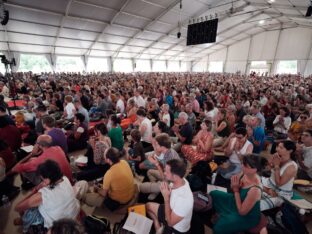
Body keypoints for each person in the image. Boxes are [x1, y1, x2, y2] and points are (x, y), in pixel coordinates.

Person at [14, 160, 80, 232]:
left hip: (57, 226)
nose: (42, 181)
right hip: (72, 215)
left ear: (47, 180)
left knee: (30, 211)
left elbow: (17, 208)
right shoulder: (65, 179)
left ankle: (23, 222)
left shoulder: (44, 194)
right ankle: (23, 220)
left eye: (42, 179)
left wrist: (35, 191)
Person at [210, 155, 263, 234]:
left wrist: (236, 190)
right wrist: (234, 186)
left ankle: (228, 219)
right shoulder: (245, 173)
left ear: (254, 170)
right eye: (242, 163)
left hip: (247, 216)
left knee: (219, 228)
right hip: (237, 200)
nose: (242, 166)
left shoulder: (255, 189)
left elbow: (242, 212)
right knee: (213, 193)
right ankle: (225, 215)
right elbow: (236, 186)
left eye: (245, 165)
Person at [146, 159, 194, 234]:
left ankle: (162, 228)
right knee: (148, 206)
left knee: (167, 224)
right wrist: (157, 164)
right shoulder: (179, 179)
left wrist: (166, 198)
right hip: (170, 208)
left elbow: (170, 223)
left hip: (176, 227)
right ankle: (158, 226)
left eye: (166, 172)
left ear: (174, 176)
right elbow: (165, 179)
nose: (164, 173)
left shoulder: (184, 199)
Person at [261, 140, 297, 211]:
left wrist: (276, 165)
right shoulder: (277, 156)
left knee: (257, 206)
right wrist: (271, 163)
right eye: (277, 146)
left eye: (281, 148)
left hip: (280, 193)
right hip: (269, 186)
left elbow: (279, 184)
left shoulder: (291, 166)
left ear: (290, 151)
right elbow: (266, 170)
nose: (277, 149)